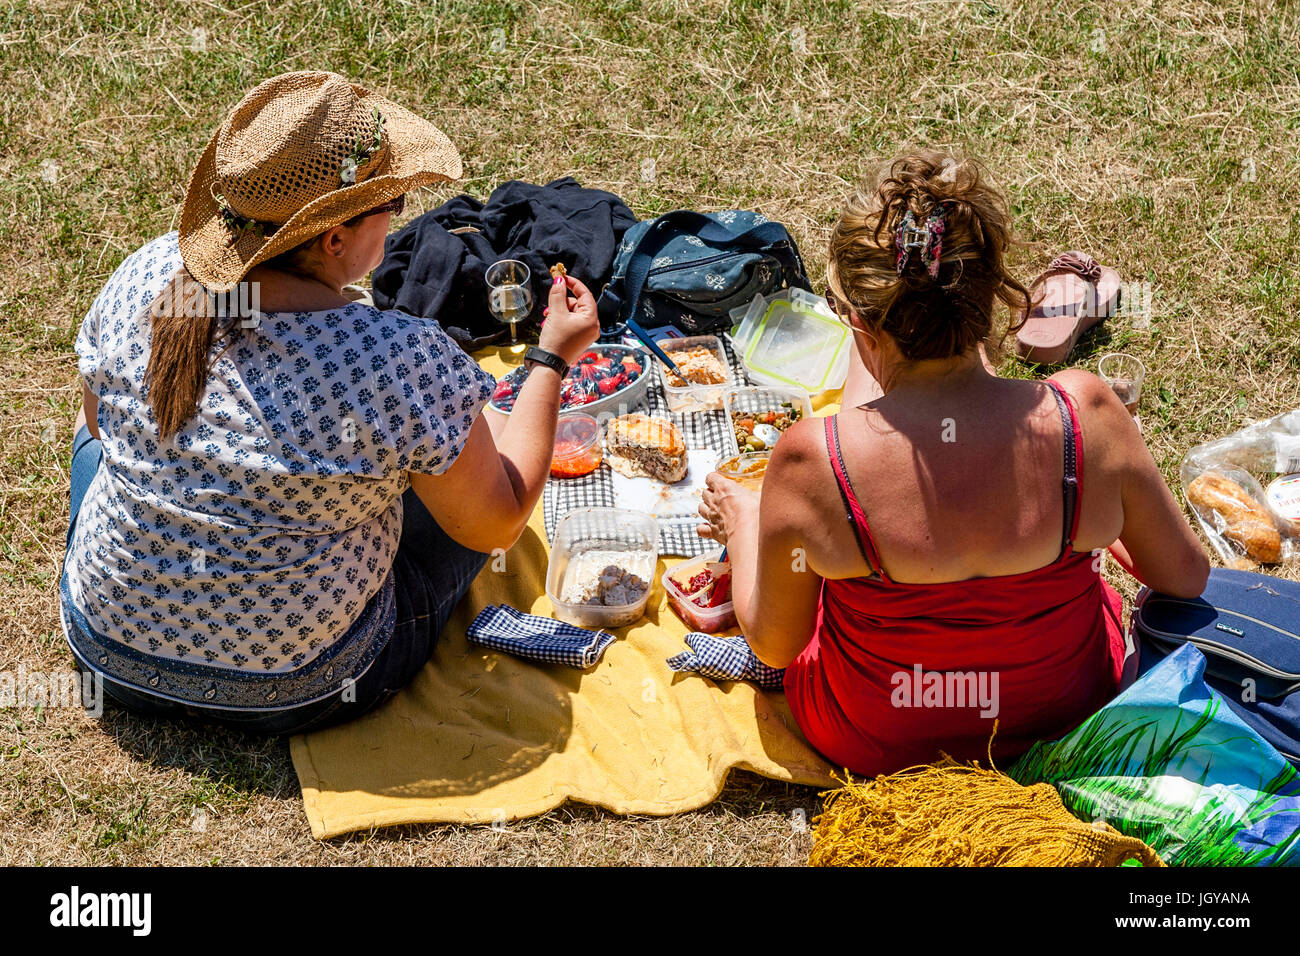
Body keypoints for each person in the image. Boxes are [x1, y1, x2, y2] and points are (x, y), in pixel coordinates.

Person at [62, 71, 599, 734]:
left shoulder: (147, 273)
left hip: (110, 654)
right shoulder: (398, 360)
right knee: (454, 511)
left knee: (98, 447)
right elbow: (497, 524)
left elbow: (97, 424)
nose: (400, 218)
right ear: (332, 239)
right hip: (300, 685)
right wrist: (551, 358)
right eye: (392, 206)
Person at [696, 151, 1209, 775]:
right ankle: (925, 347)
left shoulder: (810, 459)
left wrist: (745, 519)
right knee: (938, 386)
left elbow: (776, 645)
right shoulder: (1088, 416)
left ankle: (905, 351)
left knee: (880, 415)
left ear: (854, 319)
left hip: (875, 740)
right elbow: (1184, 577)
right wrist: (1111, 522)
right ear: (992, 296)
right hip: (1064, 720)